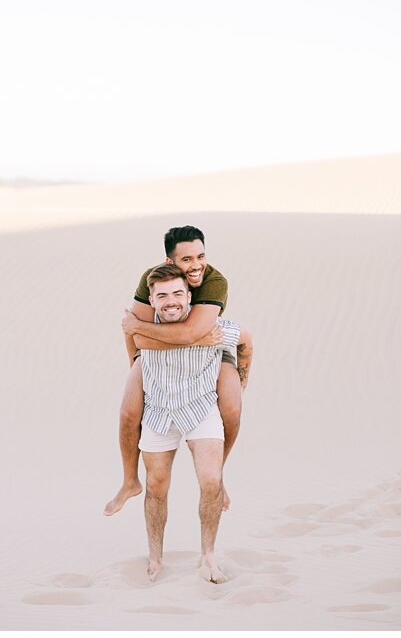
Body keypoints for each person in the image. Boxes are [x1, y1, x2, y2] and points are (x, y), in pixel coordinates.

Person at [104, 226, 250, 516]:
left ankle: (217, 476)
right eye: (187, 260)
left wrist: (244, 374)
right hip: (157, 351)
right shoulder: (154, 279)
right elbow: (135, 337)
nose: (195, 265)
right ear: (170, 262)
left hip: (211, 347)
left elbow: (191, 333)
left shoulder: (214, 281)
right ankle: (130, 481)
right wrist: (137, 364)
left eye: (200, 256)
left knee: (232, 408)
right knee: (128, 411)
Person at [134, 263, 254, 583]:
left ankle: (208, 558)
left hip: (201, 411)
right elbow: (131, 343)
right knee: (156, 487)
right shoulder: (142, 325)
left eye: (177, 293)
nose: (171, 300)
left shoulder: (213, 326)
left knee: (211, 482)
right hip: (158, 413)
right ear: (152, 299)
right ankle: (156, 559)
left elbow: (246, 339)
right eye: (162, 295)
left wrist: (241, 380)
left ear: (189, 296)